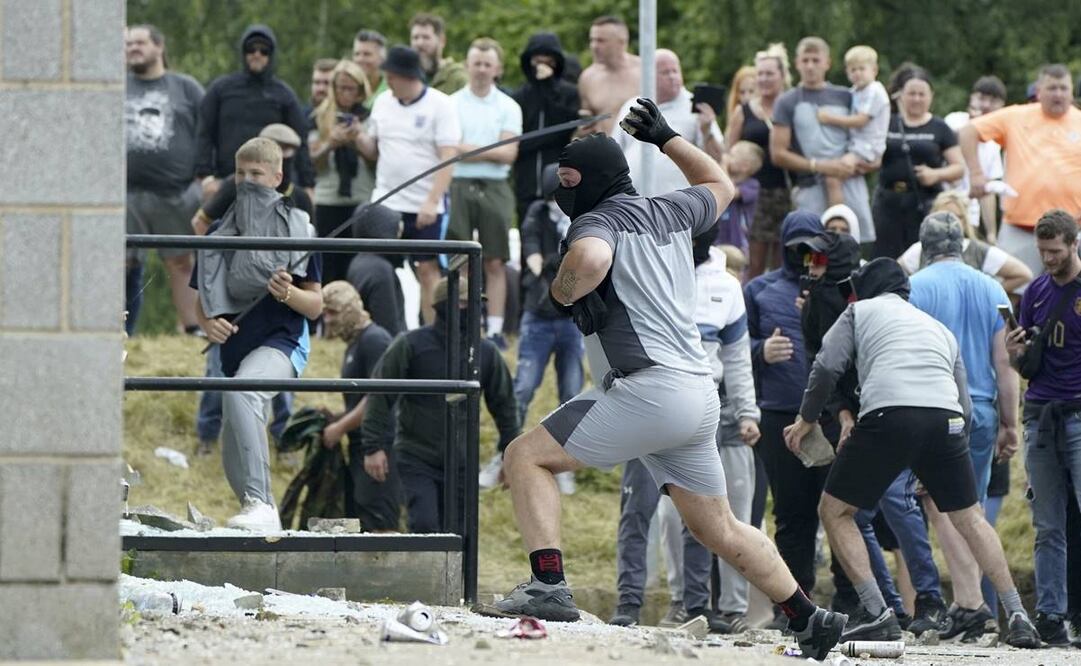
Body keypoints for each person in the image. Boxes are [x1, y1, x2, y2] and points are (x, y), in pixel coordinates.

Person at [483, 102, 848, 661]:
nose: (564, 191)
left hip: (646, 389)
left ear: (595, 182)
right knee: (719, 528)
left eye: (570, 181)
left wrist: (563, 291)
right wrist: (668, 138)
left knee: (524, 457)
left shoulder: (595, 221)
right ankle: (809, 617)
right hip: (697, 395)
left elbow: (590, 254)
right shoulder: (671, 211)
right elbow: (719, 181)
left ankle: (549, 586)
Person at [784, 257, 1039, 648]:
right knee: (970, 517)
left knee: (835, 512)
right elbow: (965, 406)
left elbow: (825, 366)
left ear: (866, 289)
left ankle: (875, 613)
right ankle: (1018, 616)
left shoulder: (859, 311)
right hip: (947, 420)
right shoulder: (937, 328)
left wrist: (806, 419)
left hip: (889, 412)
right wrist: (940, 459)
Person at [609, 237, 761, 632]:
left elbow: (737, 357)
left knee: (700, 514)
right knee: (636, 511)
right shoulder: (647, 270)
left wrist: (747, 412)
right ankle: (628, 603)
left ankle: (697, 605)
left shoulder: (726, 286)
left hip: (699, 405)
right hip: (644, 401)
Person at [191, 137, 323, 531]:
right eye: (240, 173)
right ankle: (261, 516)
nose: (247, 181)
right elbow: (202, 298)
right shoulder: (218, 229)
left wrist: (288, 293)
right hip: (232, 350)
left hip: (282, 342)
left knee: (245, 390)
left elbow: (315, 306)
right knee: (234, 446)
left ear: (277, 177)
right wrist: (207, 324)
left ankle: (261, 503)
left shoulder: (299, 226)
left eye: (256, 174)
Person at [908, 212, 1019, 640]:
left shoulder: (916, 288)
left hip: (937, 409)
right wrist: (1011, 424)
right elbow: (1005, 362)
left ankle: (972, 602)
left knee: (942, 507)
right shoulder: (993, 288)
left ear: (924, 246)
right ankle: (970, 603)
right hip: (986, 410)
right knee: (969, 510)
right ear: (963, 243)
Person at [745, 211, 855, 623]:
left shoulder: (842, 292)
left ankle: (851, 600)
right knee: (792, 515)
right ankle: (796, 607)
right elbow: (735, 349)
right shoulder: (759, 290)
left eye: (814, 249)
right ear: (785, 247)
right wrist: (761, 351)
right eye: (798, 249)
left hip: (832, 415)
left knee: (841, 509)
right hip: (778, 414)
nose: (807, 258)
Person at [361, 276, 519, 533]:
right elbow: (380, 393)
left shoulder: (486, 353)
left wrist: (510, 458)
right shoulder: (410, 344)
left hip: (463, 462)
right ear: (446, 306)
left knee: (459, 535)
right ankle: (425, 574)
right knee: (424, 525)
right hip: (416, 457)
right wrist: (372, 446)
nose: (476, 311)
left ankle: (456, 576)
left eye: (478, 304)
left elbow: (506, 407)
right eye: (467, 303)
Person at [479, 165, 580, 494]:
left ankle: (565, 463)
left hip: (573, 318)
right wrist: (558, 263)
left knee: (572, 392)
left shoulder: (584, 216)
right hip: (538, 316)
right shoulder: (536, 215)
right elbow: (535, 261)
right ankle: (504, 456)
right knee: (522, 389)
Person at [1005, 209, 1081, 646]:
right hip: (1040, 412)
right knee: (1047, 523)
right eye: (1042, 252)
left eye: (1054, 252)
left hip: (1076, 412)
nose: (1048, 260)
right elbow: (1024, 363)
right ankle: (1051, 616)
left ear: (1074, 244)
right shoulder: (1034, 290)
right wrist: (1015, 350)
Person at [356, 46, 461, 325]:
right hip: (386, 201)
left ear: (406, 76)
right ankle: (384, 325)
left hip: (424, 204)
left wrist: (431, 200)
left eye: (391, 76)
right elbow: (373, 150)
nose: (387, 82)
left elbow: (448, 155)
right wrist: (355, 135)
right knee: (380, 266)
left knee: (426, 269)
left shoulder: (441, 104)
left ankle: (432, 327)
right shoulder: (382, 103)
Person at [962, 65, 1081, 278]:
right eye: (1052, 88)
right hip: (1021, 227)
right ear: (1038, 91)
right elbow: (969, 131)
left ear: (1072, 91)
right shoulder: (1016, 116)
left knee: (1072, 295)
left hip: (1072, 229)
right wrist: (976, 174)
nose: (1058, 94)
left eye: (1064, 88)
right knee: (1008, 292)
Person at [124, 24, 205, 336]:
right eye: (129, 44)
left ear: (159, 47)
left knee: (181, 263)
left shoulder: (184, 87)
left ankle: (192, 328)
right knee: (122, 266)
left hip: (175, 193)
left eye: (140, 43)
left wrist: (204, 175)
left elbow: (207, 131)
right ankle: (120, 332)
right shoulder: (116, 85)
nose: (133, 48)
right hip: (125, 195)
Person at [447, 38, 522, 349]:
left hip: (495, 186)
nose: (480, 69)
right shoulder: (450, 103)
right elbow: (449, 149)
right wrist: (487, 149)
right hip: (458, 183)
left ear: (497, 69)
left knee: (494, 260)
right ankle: (463, 324)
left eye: (487, 64)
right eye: (476, 63)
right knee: (460, 258)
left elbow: (508, 154)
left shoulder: (508, 107)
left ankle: (493, 329)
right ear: (467, 65)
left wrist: (467, 149)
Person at [769, 37, 875, 246]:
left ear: (827, 63)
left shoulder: (847, 96)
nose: (810, 66)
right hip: (810, 187)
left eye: (815, 60)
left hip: (849, 181)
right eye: (805, 60)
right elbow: (778, 154)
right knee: (811, 248)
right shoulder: (787, 101)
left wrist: (858, 165)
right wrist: (821, 166)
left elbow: (869, 136)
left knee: (851, 248)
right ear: (797, 63)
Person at [195, 25, 315, 204]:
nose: (257, 54)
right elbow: (204, 133)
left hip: (271, 187)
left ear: (271, 55)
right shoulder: (221, 89)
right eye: (251, 49)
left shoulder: (284, 94)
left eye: (264, 50)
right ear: (243, 53)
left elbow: (300, 141)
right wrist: (206, 177)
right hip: (227, 183)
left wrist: (308, 185)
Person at [318, 281, 396, 531]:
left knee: (379, 522)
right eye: (325, 313)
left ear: (350, 310)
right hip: (361, 446)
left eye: (333, 312)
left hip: (378, 447)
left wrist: (339, 427)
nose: (327, 320)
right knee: (362, 518)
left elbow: (378, 395)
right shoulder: (357, 342)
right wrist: (335, 418)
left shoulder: (374, 340)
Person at [870, 66, 964, 259]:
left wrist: (936, 174)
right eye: (911, 93)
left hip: (924, 202)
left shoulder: (940, 128)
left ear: (931, 96)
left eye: (922, 94)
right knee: (884, 256)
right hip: (888, 201)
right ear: (901, 96)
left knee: (921, 255)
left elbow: (959, 168)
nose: (916, 99)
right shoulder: (888, 122)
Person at [611, 48, 723, 197]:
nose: (672, 77)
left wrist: (707, 130)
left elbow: (717, 159)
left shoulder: (696, 109)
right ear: (648, 75)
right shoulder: (634, 105)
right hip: (634, 202)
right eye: (665, 72)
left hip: (677, 204)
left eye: (675, 71)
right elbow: (615, 152)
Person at [726, 44, 793, 279]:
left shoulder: (791, 107)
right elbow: (727, 152)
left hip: (787, 191)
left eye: (769, 74)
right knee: (753, 265)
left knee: (782, 262)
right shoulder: (743, 112)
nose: (764, 79)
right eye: (760, 74)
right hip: (753, 194)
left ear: (782, 76)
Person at [309, 60, 374, 285]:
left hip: (361, 199)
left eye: (350, 89)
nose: (345, 93)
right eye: (340, 88)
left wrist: (357, 138)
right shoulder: (318, 116)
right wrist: (331, 143)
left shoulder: (371, 118)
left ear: (360, 91)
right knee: (326, 266)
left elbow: (375, 157)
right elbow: (312, 160)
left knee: (356, 266)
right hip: (328, 200)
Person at [897, 190, 1033, 293]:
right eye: (943, 217)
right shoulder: (919, 250)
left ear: (965, 220)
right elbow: (893, 277)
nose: (948, 224)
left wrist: (986, 296)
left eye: (956, 217)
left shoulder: (977, 250)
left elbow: (1023, 274)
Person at [511, 33, 581, 222]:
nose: (542, 64)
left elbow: (568, 124)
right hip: (527, 182)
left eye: (548, 59)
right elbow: (515, 141)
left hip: (562, 183)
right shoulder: (519, 97)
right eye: (537, 59)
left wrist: (549, 86)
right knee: (528, 234)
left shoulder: (569, 93)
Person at [816, 45, 890, 209]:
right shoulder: (856, 91)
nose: (857, 73)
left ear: (874, 70)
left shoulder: (874, 91)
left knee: (833, 176)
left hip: (866, 148)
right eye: (852, 70)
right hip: (856, 147)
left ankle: (837, 218)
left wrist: (829, 118)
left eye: (861, 69)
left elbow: (860, 120)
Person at [943, 76, 1008, 243]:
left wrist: (992, 233)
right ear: (971, 98)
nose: (985, 105)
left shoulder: (995, 143)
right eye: (981, 98)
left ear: (1002, 106)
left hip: (970, 217)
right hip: (944, 208)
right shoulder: (955, 119)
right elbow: (956, 137)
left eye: (993, 101)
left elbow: (988, 191)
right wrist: (974, 124)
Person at [346, 204, 407, 337]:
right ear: (383, 231)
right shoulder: (381, 270)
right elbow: (388, 325)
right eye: (396, 233)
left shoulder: (359, 262)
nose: (400, 240)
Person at [577, 16, 640, 136]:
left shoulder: (645, 71)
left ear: (621, 42)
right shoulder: (588, 78)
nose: (594, 46)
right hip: (608, 151)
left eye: (601, 41)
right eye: (592, 40)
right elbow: (586, 126)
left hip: (642, 150)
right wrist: (582, 131)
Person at [713, 141, 762, 255]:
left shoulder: (752, 185)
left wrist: (723, 166)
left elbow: (729, 192)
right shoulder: (725, 178)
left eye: (731, 155)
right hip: (718, 237)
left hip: (737, 242)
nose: (726, 157)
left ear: (745, 167)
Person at [408, 13, 466, 95]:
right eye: (415, 37)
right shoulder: (405, 78)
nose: (419, 43)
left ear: (442, 41)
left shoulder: (458, 79)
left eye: (426, 37)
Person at [352, 30, 388, 99]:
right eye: (357, 54)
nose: (360, 59)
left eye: (367, 54)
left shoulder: (391, 90)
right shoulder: (347, 88)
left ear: (382, 58)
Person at [303, 58, 337, 130]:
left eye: (327, 83)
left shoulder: (350, 117)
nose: (321, 88)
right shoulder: (301, 117)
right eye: (317, 82)